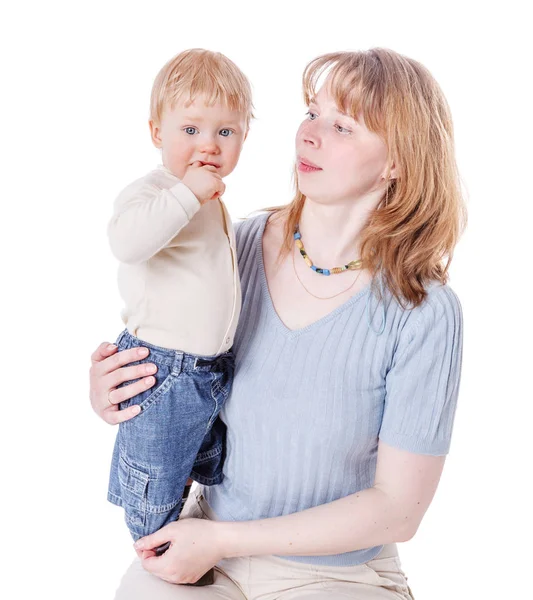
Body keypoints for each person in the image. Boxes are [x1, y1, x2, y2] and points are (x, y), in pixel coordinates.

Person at [90, 47, 465, 599]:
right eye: (312, 113)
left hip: (334, 575)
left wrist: (226, 541)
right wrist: (116, 390)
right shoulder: (237, 243)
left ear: (397, 161)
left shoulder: (423, 311)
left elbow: (396, 511)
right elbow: (174, 359)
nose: (310, 135)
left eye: (342, 126)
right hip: (204, 548)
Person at [104, 48, 253, 584]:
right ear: (155, 132)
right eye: (189, 129)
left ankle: (192, 544)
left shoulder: (211, 202)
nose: (208, 146)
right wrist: (187, 194)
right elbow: (127, 241)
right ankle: (156, 552)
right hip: (166, 369)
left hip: (208, 370)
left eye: (226, 132)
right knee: (156, 474)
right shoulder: (156, 193)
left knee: (199, 468)